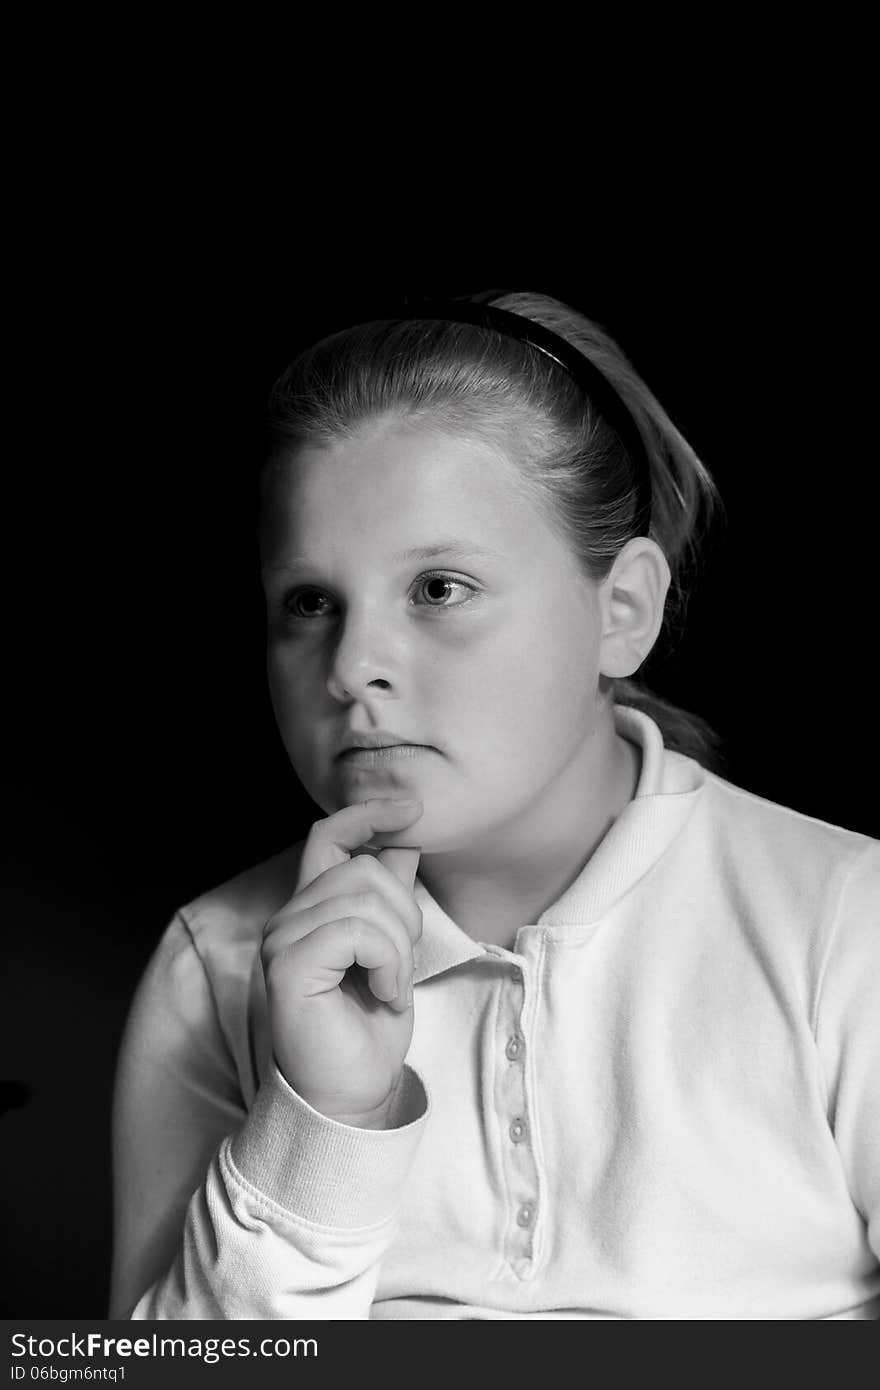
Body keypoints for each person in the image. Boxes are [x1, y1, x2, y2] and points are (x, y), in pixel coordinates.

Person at [108, 289, 880, 1321]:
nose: (351, 667)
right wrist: (325, 1121)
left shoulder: (845, 926)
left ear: (622, 612)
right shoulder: (214, 965)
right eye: (309, 602)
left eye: (438, 588)